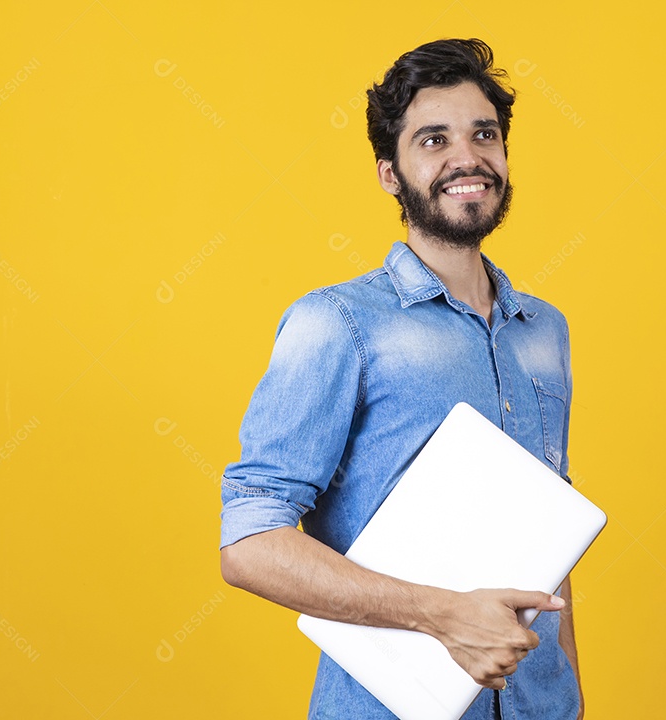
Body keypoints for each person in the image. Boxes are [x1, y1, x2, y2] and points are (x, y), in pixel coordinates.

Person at [220, 38, 583, 720]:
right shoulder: (336, 323)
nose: (466, 158)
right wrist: (441, 614)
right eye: (433, 140)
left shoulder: (545, 333)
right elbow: (249, 543)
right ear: (390, 173)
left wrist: (570, 698)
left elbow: (552, 540)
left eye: (484, 135)